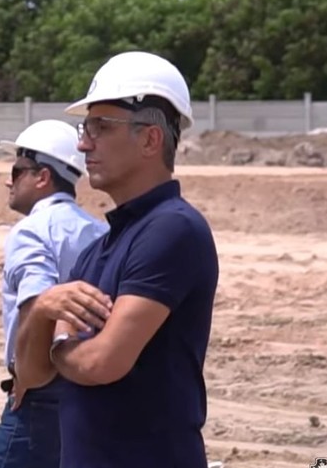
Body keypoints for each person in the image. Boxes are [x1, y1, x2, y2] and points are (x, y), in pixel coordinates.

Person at [15, 51, 220, 468]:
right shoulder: (102, 246)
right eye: (85, 127)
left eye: (100, 127)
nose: (82, 143)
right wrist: (41, 314)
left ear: (150, 139)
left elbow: (101, 362)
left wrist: (58, 347)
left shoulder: (172, 230)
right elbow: (30, 376)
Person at [0, 119, 108, 468]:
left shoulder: (31, 231)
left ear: (42, 177)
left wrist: (27, 376)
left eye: (17, 170)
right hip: (88, 387)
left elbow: (38, 306)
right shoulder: (99, 231)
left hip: (38, 395)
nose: (9, 180)